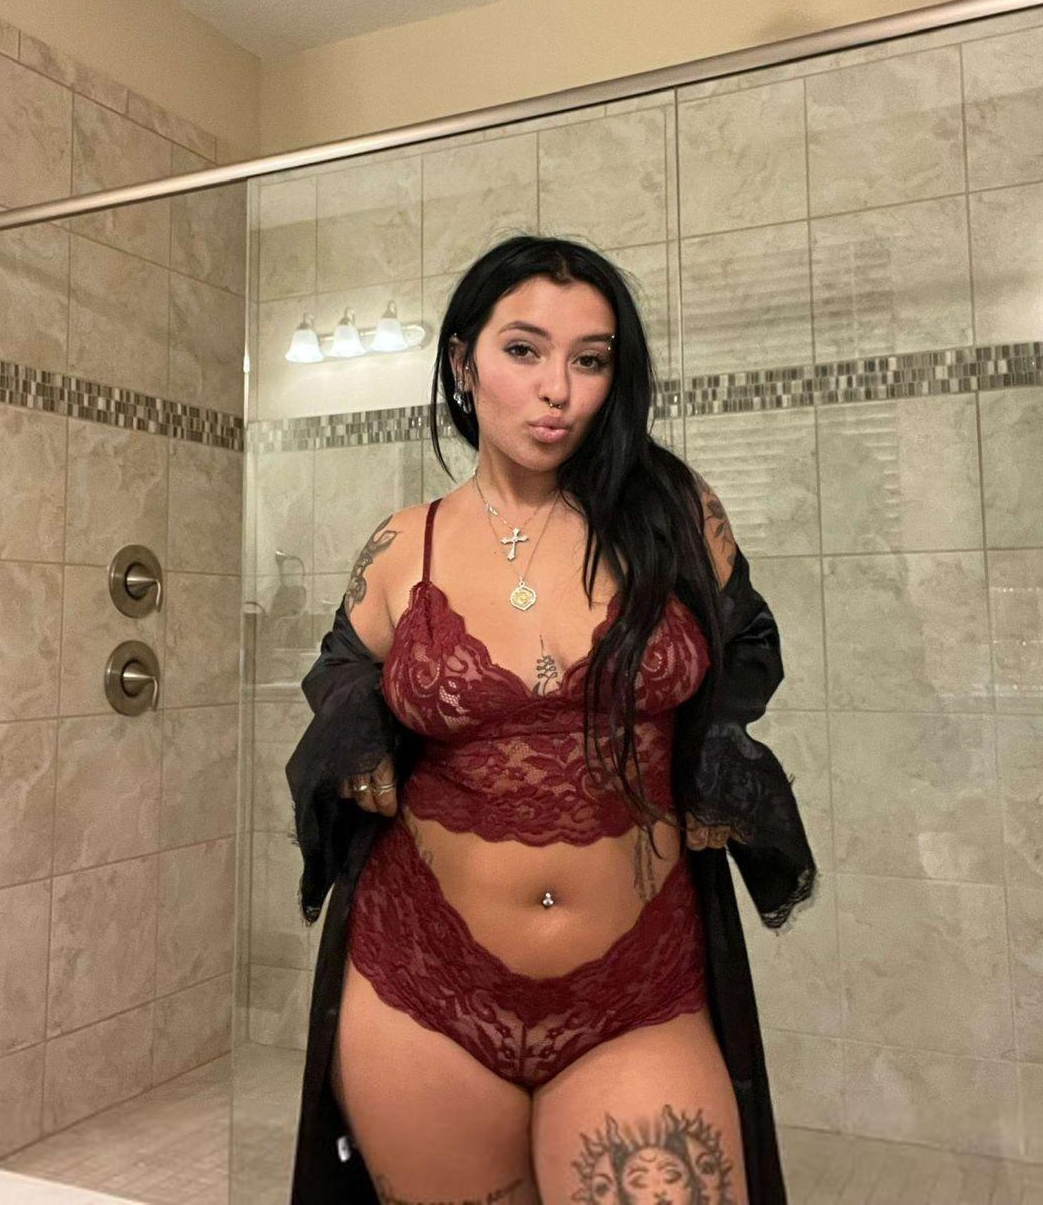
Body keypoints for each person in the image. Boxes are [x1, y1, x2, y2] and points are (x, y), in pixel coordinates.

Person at [285, 234, 818, 1205]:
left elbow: (748, 644)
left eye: (591, 359)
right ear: (463, 363)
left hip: (638, 993)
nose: (558, 390)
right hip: (421, 987)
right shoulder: (406, 542)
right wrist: (362, 735)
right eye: (524, 350)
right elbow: (339, 668)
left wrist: (712, 756)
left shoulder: (673, 515)